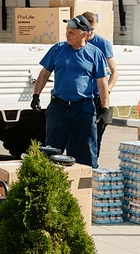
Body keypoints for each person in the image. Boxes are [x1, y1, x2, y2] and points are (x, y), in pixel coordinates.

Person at [31, 14, 109, 168]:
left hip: (83, 108)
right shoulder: (58, 49)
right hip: (59, 108)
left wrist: (105, 109)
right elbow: (44, 74)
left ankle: (87, 189)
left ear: (84, 34)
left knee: (86, 152)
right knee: (52, 151)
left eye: (72, 32)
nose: (67, 35)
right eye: (67, 31)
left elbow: (102, 83)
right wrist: (36, 95)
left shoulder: (95, 54)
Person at [83, 10, 118, 152]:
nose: (90, 32)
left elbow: (114, 72)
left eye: (93, 29)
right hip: (83, 97)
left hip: (98, 97)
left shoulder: (103, 44)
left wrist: (107, 90)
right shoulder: (76, 42)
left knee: (96, 138)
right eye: (88, 29)